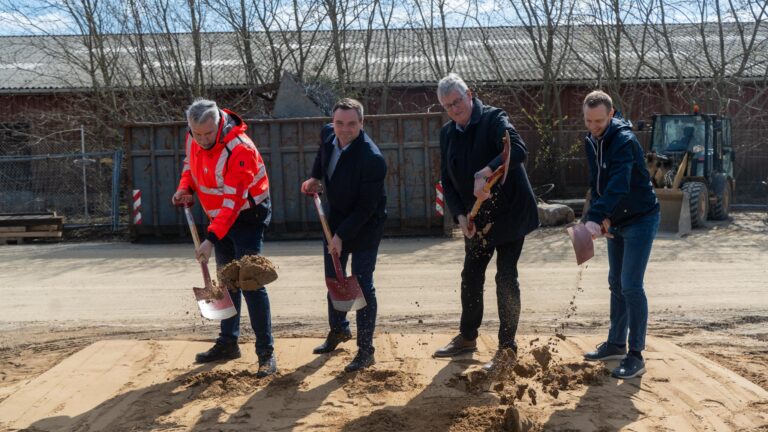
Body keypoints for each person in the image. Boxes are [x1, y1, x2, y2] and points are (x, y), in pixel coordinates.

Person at [432, 73, 539, 371]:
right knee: (471, 275)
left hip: (511, 212)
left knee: (505, 277)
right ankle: (467, 337)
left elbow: (517, 150)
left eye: (457, 101)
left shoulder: (494, 119)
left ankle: (507, 348)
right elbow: (447, 181)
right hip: (477, 218)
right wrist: (461, 215)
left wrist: (488, 170)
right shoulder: (447, 133)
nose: (454, 109)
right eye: (447, 105)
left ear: (470, 94)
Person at [172, 98, 276, 377]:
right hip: (219, 216)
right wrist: (185, 188)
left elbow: (233, 203)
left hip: (248, 216)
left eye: (208, 133)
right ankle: (228, 342)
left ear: (219, 123)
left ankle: (265, 352)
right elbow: (189, 165)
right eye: (197, 134)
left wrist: (210, 239)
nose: (203, 140)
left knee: (250, 280)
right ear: (190, 127)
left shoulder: (239, 149)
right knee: (227, 281)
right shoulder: (193, 138)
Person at [300, 98, 387, 372]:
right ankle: (338, 330)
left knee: (361, 285)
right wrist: (315, 177)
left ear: (361, 123)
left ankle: (365, 350)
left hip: (364, 226)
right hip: (334, 219)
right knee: (334, 279)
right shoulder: (328, 133)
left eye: (351, 124)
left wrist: (340, 236)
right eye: (339, 123)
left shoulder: (372, 159)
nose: (344, 129)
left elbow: (366, 207)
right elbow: (322, 155)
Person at [580, 90, 660, 379]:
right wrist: (593, 217)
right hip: (617, 219)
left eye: (599, 121)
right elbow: (597, 182)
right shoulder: (591, 140)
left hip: (641, 218)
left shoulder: (624, 141)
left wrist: (601, 216)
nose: (593, 126)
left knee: (631, 285)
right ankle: (616, 343)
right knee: (615, 282)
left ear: (611, 115)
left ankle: (635, 355)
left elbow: (618, 184)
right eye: (588, 121)